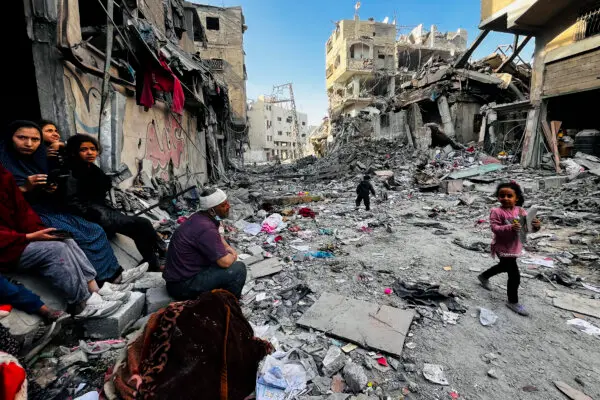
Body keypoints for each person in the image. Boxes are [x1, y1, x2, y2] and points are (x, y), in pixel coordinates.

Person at [0, 120, 147, 285]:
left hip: (49, 209)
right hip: (26, 217)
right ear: (9, 138)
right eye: (21, 137)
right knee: (76, 235)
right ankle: (103, 281)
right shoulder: (4, 165)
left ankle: (115, 274)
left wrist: (48, 188)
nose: (29, 144)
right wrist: (24, 188)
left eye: (35, 140)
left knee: (95, 230)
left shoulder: (40, 159)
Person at [0, 164, 131, 318]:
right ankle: (82, 304)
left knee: (64, 238)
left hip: (20, 238)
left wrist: (39, 231)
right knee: (56, 250)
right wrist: (28, 237)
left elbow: (23, 212)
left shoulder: (4, 177)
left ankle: (95, 291)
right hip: (7, 248)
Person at [64, 134, 164, 272]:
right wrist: (89, 214)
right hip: (94, 214)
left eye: (93, 149)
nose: (90, 152)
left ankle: (153, 263)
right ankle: (163, 250)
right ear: (75, 152)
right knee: (143, 223)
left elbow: (104, 187)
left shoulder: (92, 169)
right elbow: (72, 200)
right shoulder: (72, 171)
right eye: (84, 149)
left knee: (138, 230)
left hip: (102, 209)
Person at [163, 188, 247, 300]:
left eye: (227, 203)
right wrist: (233, 255)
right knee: (238, 269)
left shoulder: (200, 218)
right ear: (212, 210)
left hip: (178, 279)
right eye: (223, 205)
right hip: (183, 286)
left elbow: (217, 236)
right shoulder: (205, 229)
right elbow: (225, 263)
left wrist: (227, 247)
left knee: (220, 262)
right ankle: (229, 305)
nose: (228, 207)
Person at [477, 182, 541, 316]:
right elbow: (495, 228)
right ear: (498, 197)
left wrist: (536, 226)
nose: (505, 198)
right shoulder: (496, 211)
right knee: (514, 275)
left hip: (515, 245)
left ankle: (484, 276)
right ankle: (513, 301)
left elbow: (526, 230)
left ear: (516, 198)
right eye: (502, 195)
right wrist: (509, 228)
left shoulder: (521, 211)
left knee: (504, 266)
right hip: (502, 246)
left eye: (509, 195)